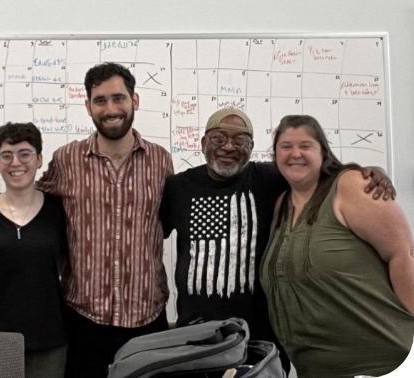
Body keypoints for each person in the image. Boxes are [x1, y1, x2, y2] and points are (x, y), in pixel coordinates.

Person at [159, 108, 395, 375]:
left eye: (240, 141)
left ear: (251, 147)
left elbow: (326, 175)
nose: (228, 146)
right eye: (218, 138)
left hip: (260, 340)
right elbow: (151, 238)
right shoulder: (178, 188)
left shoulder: (270, 179)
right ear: (203, 143)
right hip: (196, 338)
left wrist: (370, 172)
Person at [36, 62, 174, 377]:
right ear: (88, 106)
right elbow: (31, 203)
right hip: (83, 320)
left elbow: (164, 222)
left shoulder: (160, 161)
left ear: (134, 101)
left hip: (148, 318)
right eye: (100, 100)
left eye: (118, 98)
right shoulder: (66, 160)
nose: (110, 109)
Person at [260, 115, 414, 378]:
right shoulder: (281, 205)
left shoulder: (351, 186)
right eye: (285, 146)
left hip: (381, 364)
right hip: (315, 369)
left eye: (306, 145)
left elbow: (403, 254)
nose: (295, 153)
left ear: (323, 151)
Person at [0, 122, 67, 378]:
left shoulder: (60, 210)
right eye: (6, 155)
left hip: (49, 339)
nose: (16, 163)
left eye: (25, 154)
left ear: (39, 159)